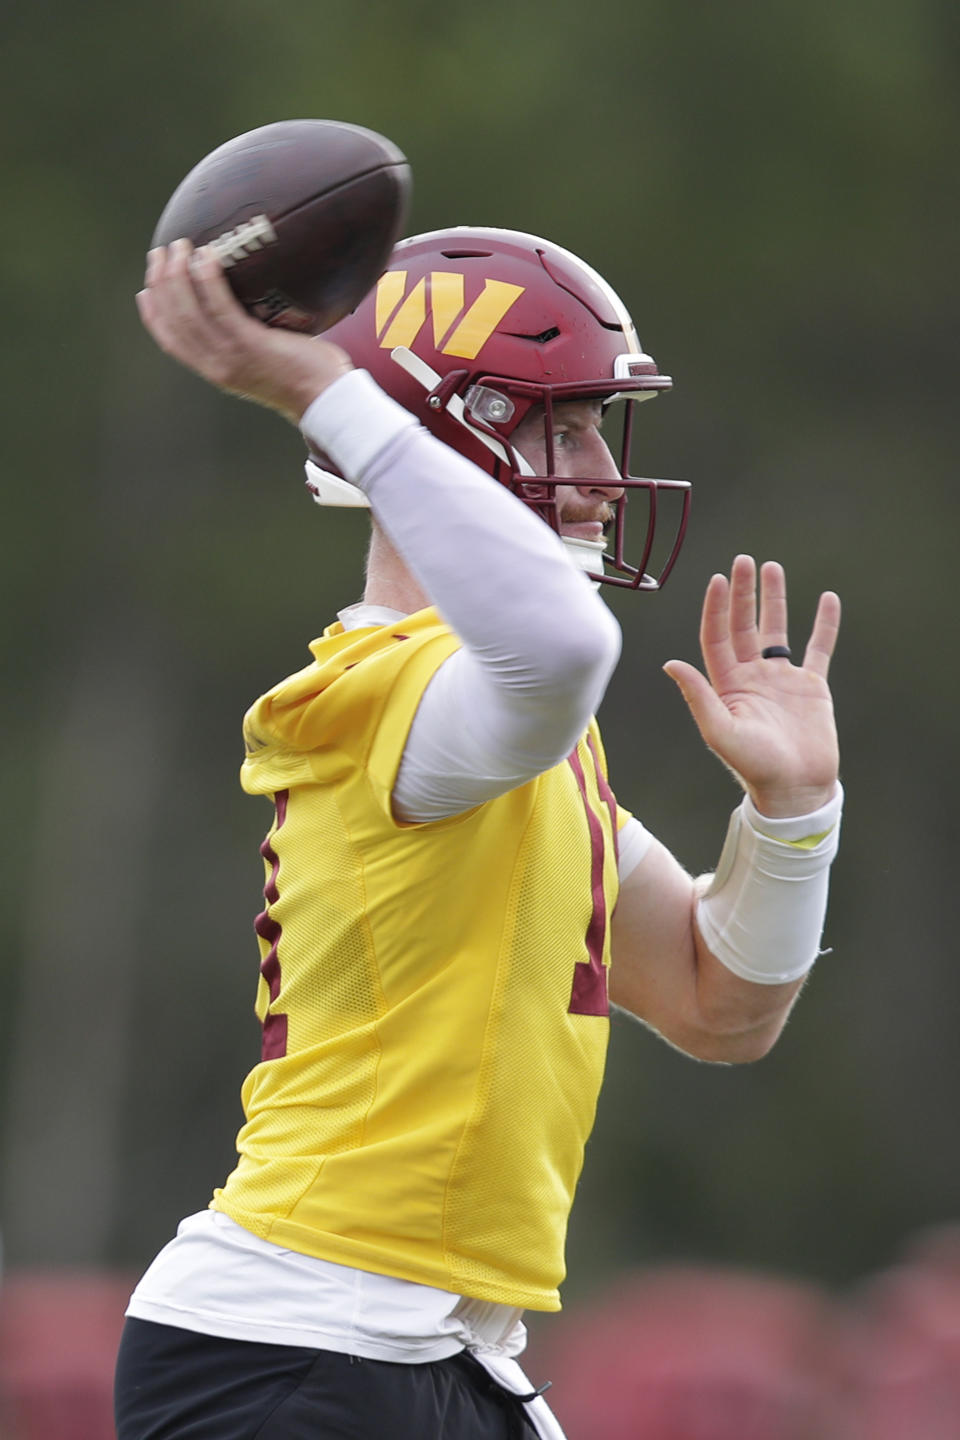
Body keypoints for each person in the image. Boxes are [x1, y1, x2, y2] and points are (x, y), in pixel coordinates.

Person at [115, 226, 842, 1440]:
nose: (605, 474)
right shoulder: (389, 686)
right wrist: (326, 393)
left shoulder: (517, 727)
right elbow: (560, 648)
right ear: (439, 430)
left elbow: (725, 1007)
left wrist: (793, 815)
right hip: (293, 1348)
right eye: (563, 426)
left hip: (438, 1355)